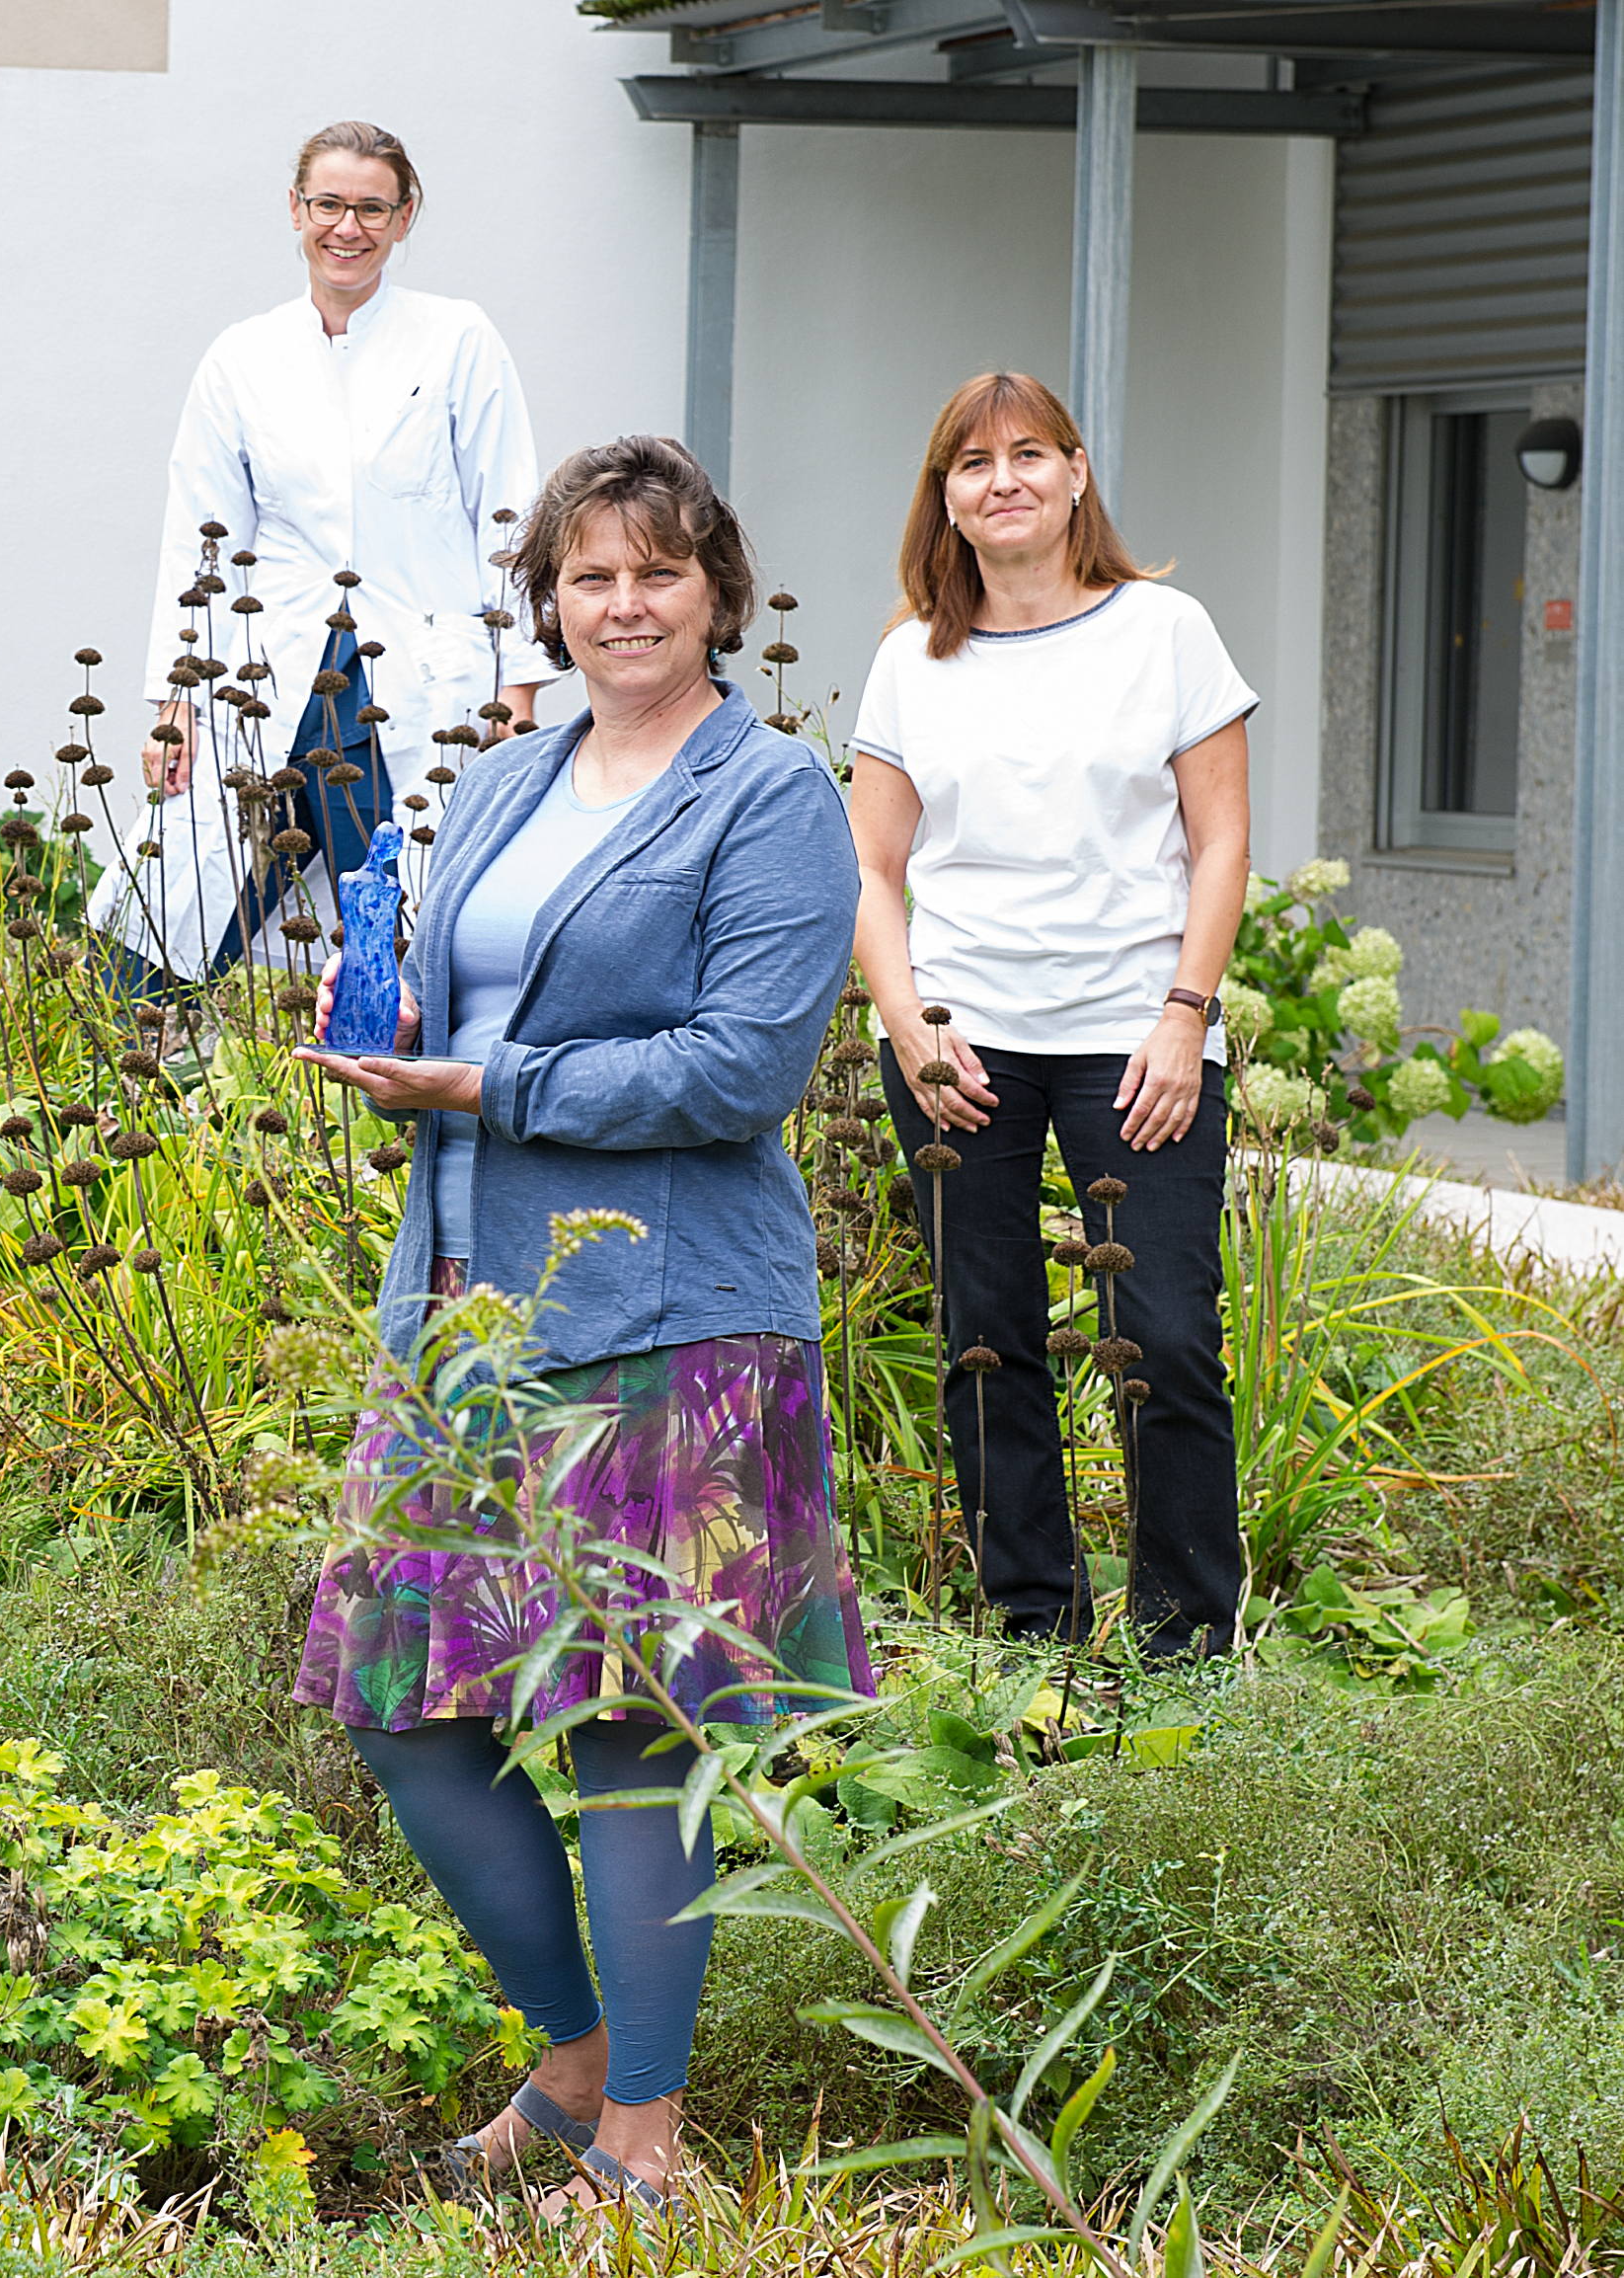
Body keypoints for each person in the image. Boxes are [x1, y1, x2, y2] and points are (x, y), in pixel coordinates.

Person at [290, 436, 869, 2217]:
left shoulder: (768, 794)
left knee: (635, 1726)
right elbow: (454, 990)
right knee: (395, 1699)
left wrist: (490, 1079)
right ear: (547, 598)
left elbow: (740, 1066)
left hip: (669, 1319)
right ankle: (570, 2046)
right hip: (465, 1309)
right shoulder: (503, 779)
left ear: (718, 596)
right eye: (590, 576)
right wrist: (389, 1048)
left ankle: (645, 2134)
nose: (622, 605)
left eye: (658, 574)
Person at [851, 372, 1254, 1664]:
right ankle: (1034, 1633)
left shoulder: (1162, 630)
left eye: (1029, 452)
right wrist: (906, 1022)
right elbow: (866, 868)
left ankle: (1186, 1645)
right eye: (971, 462)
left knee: (1168, 1338)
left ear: (1076, 475)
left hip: (1134, 1040)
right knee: (985, 1337)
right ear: (945, 499)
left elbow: (1220, 838)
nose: (1003, 478)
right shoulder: (909, 656)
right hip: (960, 1041)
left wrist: (1183, 1015)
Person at [95, 119, 557, 1001]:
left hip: (418, 680)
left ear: (405, 215)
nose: (348, 227)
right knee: (165, 927)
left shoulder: (457, 339)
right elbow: (197, 536)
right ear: (296, 210)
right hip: (267, 677)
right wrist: (174, 701)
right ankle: (142, 1090)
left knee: (402, 933)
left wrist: (516, 689)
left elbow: (512, 513)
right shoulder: (243, 355)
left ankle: (383, 1113)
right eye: (329, 204)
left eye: (371, 208)